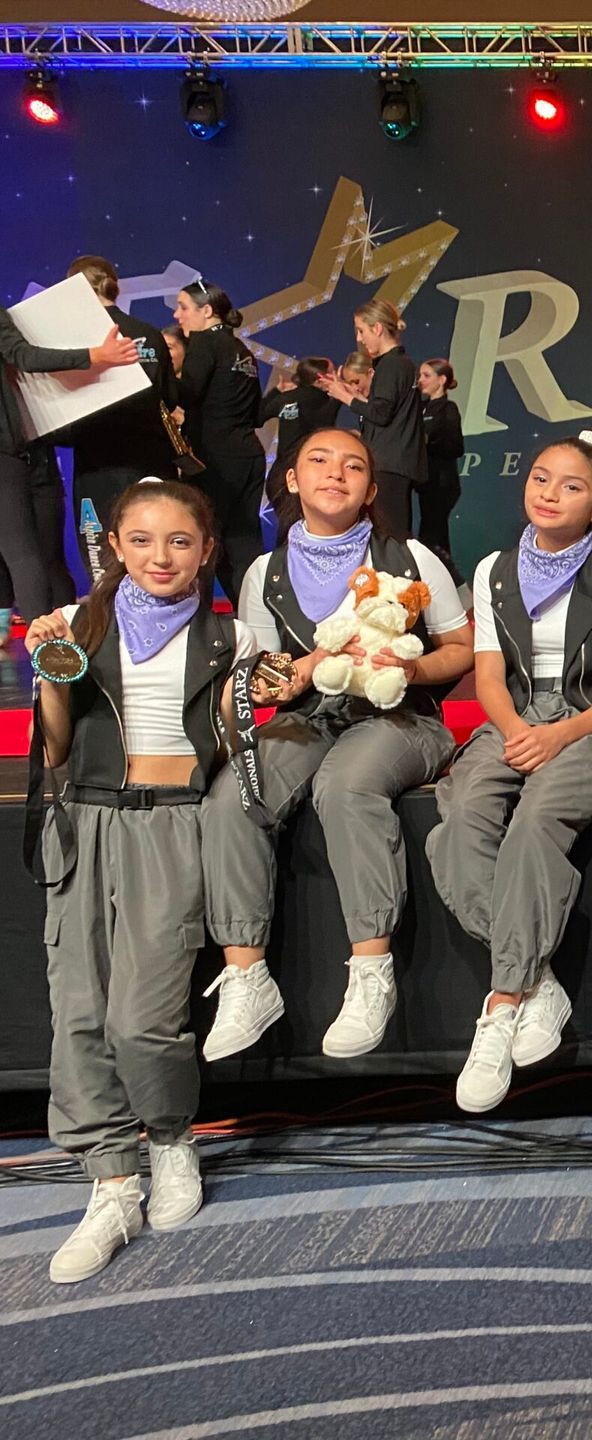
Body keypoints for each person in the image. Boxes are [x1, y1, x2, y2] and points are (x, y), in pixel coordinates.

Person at [24, 479, 260, 1282]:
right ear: (117, 548)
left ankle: (169, 1138)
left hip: (173, 825)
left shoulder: (230, 637)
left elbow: (234, 751)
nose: (162, 556)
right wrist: (49, 673)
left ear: (206, 550)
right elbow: (55, 750)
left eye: (180, 541)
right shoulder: (79, 624)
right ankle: (111, 1183)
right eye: (143, 540)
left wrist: (262, 696)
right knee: (78, 1012)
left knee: (143, 1017)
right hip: (86, 823)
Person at [198, 427, 473, 1063]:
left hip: (402, 715)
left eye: (353, 466)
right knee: (234, 796)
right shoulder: (264, 572)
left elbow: (461, 650)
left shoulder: (410, 557)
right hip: (308, 718)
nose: (335, 473)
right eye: (318, 461)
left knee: (346, 784)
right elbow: (264, 672)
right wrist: (290, 674)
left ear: (371, 489)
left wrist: (410, 668)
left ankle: (371, 973)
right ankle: (247, 977)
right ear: (292, 480)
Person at [427, 431, 592, 1113]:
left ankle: (501, 1004)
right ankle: (538, 979)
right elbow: (489, 677)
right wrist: (520, 731)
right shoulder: (495, 569)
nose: (549, 494)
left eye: (571, 486)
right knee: (459, 821)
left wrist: (559, 735)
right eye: (541, 478)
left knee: (533, 824)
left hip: (589, 725)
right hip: (513, 720)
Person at [0, 298, 140, 617]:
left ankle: (49, 637)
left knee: (24, 553)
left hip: (24, 455)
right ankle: (50, 642)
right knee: (24, 554)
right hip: (9, 453)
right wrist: (95, 356)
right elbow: (25, 356)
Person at [63, 257, 180, 584]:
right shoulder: (150, 334)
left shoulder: (77, 341)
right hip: (151, 459)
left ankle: (111, 612)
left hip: (100, 463)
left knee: (102, 550)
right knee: (155, 543)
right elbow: (170, 397)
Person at [173, 280, 266, 598]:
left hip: (214, 460)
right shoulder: (243, 351)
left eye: (183, 307)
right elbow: (257, 414)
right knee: (244, 543)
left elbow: (187, 394)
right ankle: (257, 614)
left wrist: (157, 377)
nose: (177, 315)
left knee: (204, 541)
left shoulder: (204, 343)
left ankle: (196, 618)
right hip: (248, 455)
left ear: (207, 311)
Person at [316, 301, 423, 538]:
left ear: (377, 329)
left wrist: (345, 397)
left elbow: (381, 414)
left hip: (389, 463)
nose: (359, 338)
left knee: (391, 533)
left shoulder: (392, 365)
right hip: (392, 461)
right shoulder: (396, 364)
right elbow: (385, 409)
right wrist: (355, 396)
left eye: (361, 330)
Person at [260, 358, 342, 500]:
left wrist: (276, 391)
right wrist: (339, 395)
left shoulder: (285, 398)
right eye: (332, 372)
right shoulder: (323, 401)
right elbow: (324, 424)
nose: (335, 376)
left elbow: (257, 418)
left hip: (279, 477)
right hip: (306, 476)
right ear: (320, 379)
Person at [416, 357, 465, 581]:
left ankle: (441, 582)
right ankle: (447, 583)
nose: (420, 380)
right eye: (420, 375)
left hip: (442, 483)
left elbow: (456, 447)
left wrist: (428, 442)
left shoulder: (448, 408)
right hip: (426, 483)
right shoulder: (422, 407)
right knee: (433, 537)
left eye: (426, 375)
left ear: (442, 380)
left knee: (432, 537)